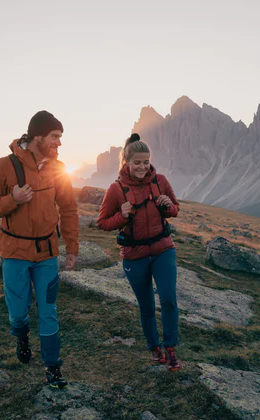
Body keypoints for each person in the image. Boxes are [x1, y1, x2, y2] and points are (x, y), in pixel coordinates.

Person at [0, 110, 79, 388]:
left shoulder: (59, 169)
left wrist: (72, 247)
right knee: (18, 312)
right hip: (15, 254)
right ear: (37, 137)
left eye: (60, 137)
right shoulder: (2, 166)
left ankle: (53, 367)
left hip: (47, 253)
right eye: (55, 137)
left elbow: (68, 208)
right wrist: (12, 199)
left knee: (48, 310)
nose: (59, 143)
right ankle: (21, 335)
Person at [97, 133, 182, 371]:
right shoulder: (116, 189)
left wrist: (168, 205)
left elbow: (175, 209)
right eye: (137, 162)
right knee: (146, 306)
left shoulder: (161, 181)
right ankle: (154, 348)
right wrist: (121, 216)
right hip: (134, 256)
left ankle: (170, 348)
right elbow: (102, 222)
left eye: (146, 162)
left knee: (168, 299)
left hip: (163, 249)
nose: (142, 167)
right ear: (126, 162)